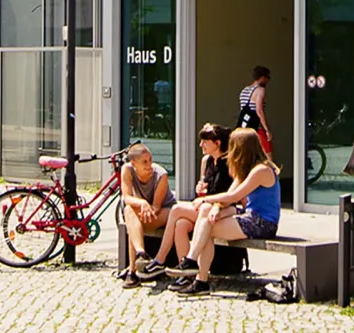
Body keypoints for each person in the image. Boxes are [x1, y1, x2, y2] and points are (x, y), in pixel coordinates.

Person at [167, 128, 281, 296]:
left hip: (262, 222)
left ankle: (196, 271)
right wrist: (215, 206)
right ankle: (196, 272)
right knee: (206, 217)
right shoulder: (246, 170)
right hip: (249, 216)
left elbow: (234, 195)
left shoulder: (261, 170)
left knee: (207, 229)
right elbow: (228, 196)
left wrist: (206, 199)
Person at [159, 123, 227, 272]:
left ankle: (160, 259)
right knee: (181, 224)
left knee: (176, 210)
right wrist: (200, 189)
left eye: (205, 141)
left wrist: (205, 198)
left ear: (217, 143)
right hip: (205, 208)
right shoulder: (207, 161)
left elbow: (229, 194)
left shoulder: (228, 163)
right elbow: (204, 187)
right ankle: (186, 272)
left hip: (219, 210)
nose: (200, 144)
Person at [119, 143, 175, 285]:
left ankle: (132, 271)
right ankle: (141, 254)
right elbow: (127, 198)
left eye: (150, 160)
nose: (149, 165)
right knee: (128, 210)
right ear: (133, 163)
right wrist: (143, 203)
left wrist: (145, 206)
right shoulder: (127, 170)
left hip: (164, 212)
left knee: (132, 221)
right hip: (143, 211)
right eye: (144, 162)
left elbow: (156, 206)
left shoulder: (160, 174)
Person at [237, 66, 273, 157]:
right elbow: (259, 110)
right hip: (257, 128)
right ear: (262, 78)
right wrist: (267, 130)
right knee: (267, 155)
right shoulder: (260, 90)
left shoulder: (244, 90)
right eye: (267, 78)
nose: (268, 81)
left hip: (244, 128)